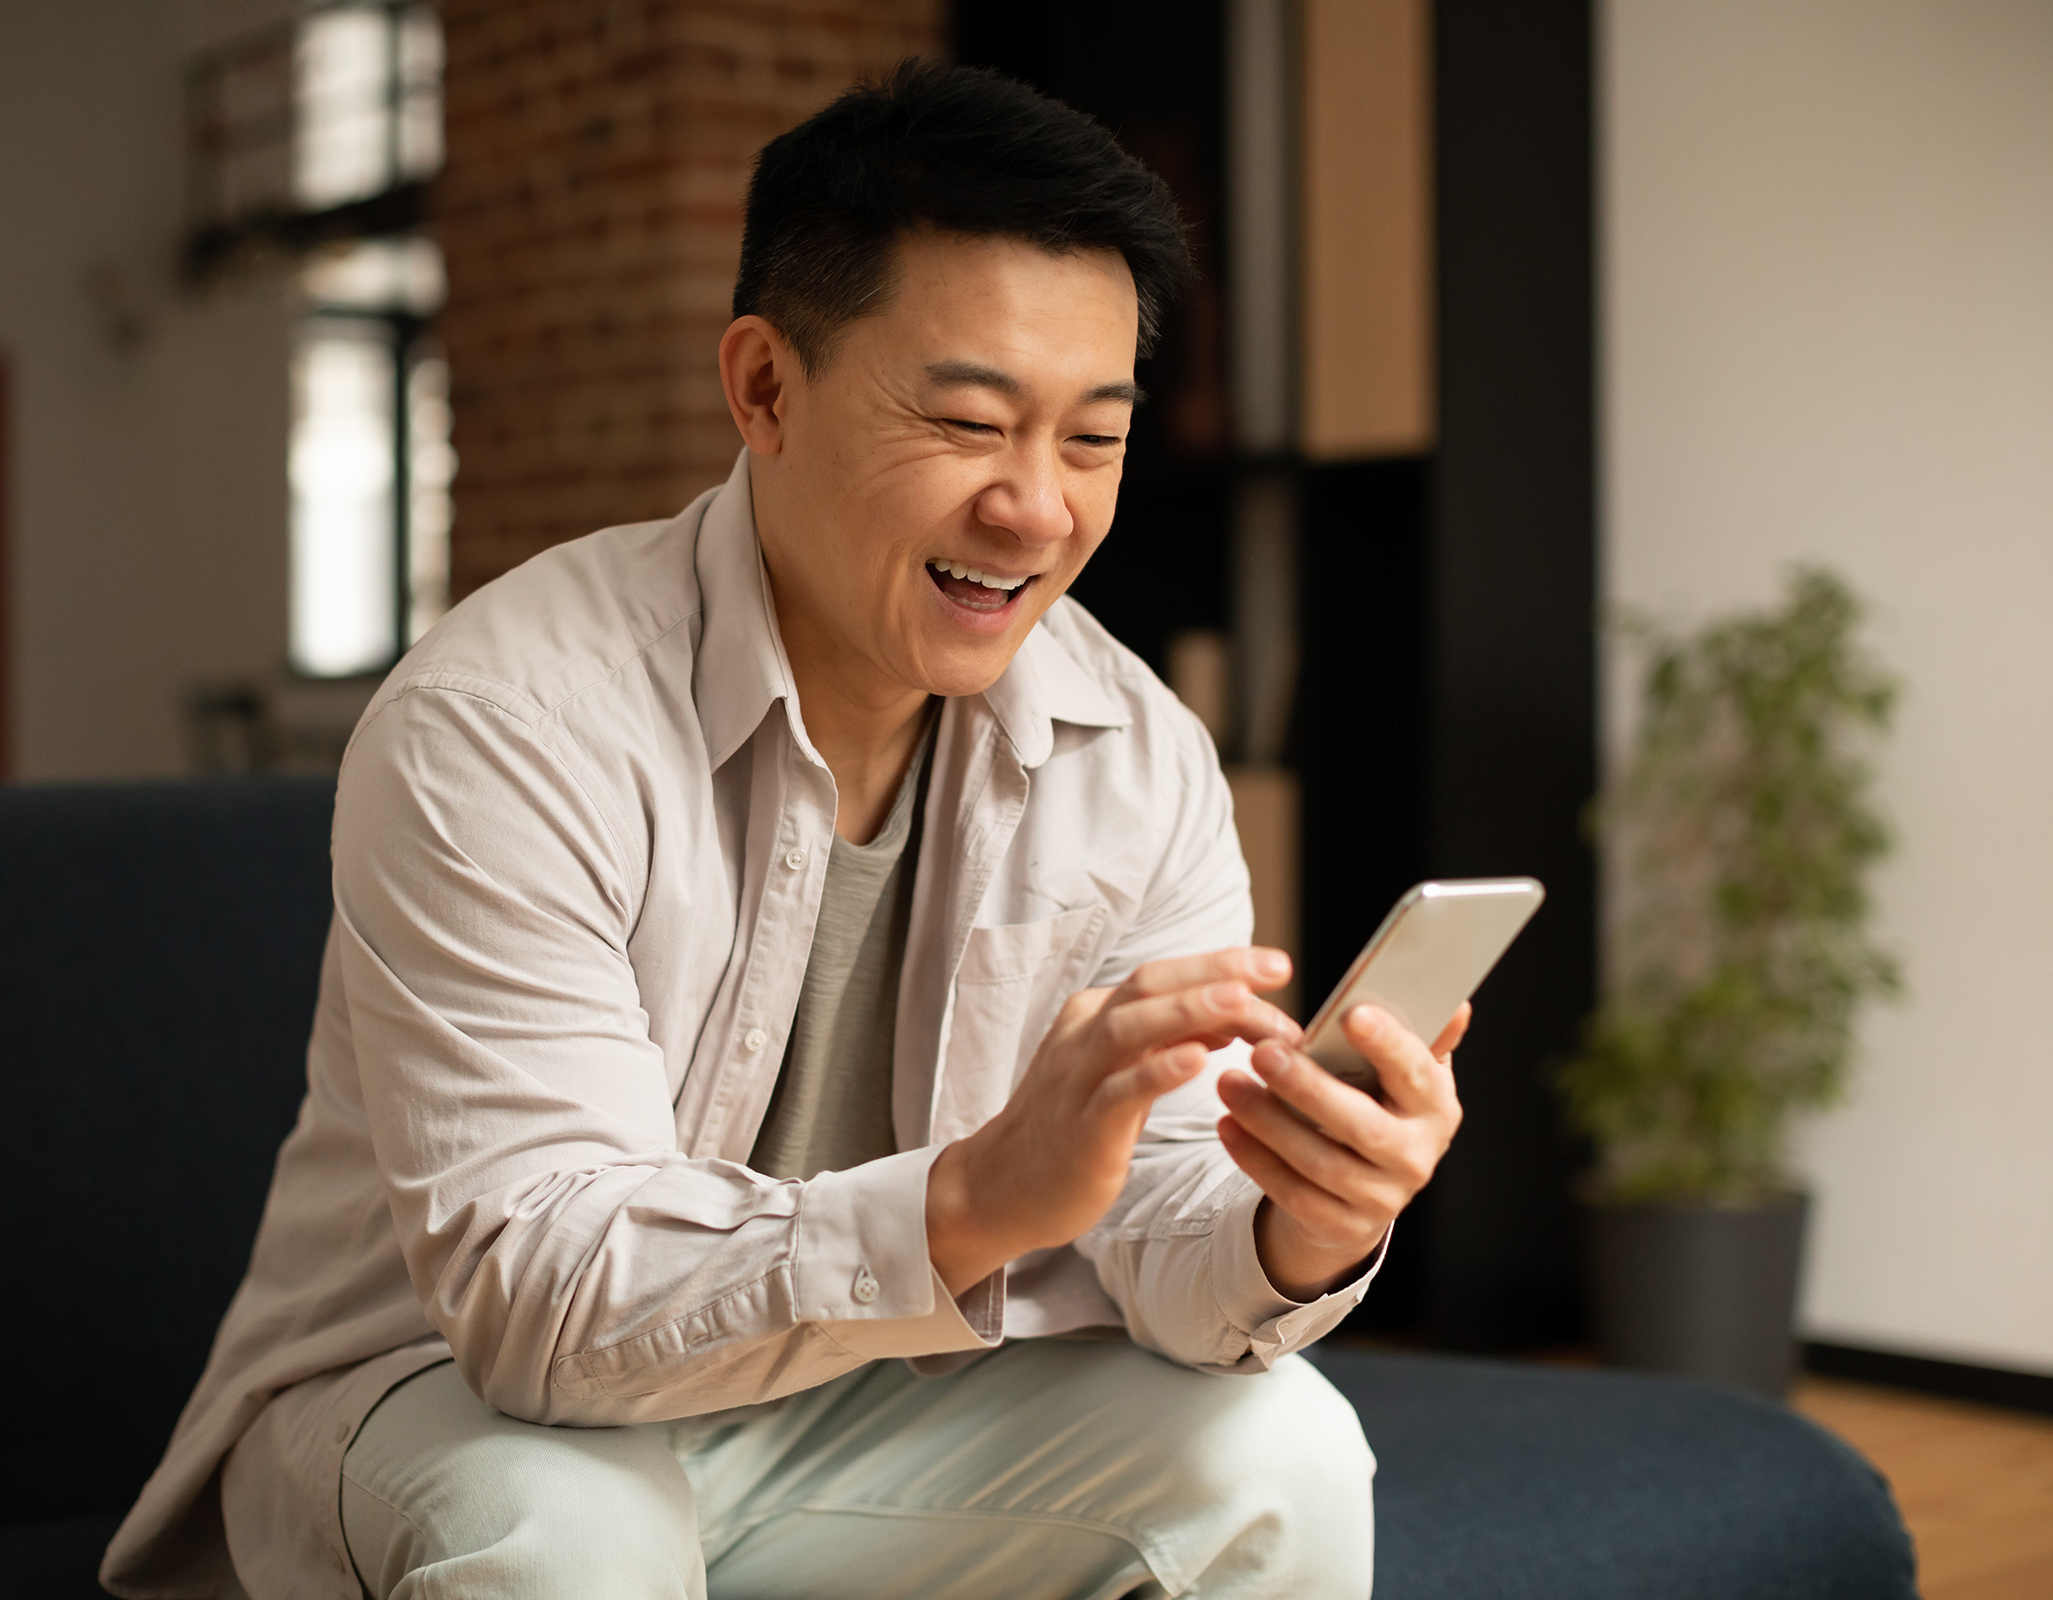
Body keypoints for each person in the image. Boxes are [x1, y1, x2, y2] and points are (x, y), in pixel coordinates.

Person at [102, 59, 1468, 1600]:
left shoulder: (1135, 749)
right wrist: (974, 1199)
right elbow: (539, 1304)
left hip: (866, 1405)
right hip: (446, 1399)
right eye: (968, 420)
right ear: (763, 387)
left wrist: (1298, 1224)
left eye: (1093, 438)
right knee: (569, 1537)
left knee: (1280, 1451)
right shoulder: (504, 720)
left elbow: (1164, 1233)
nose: (1037, 508)